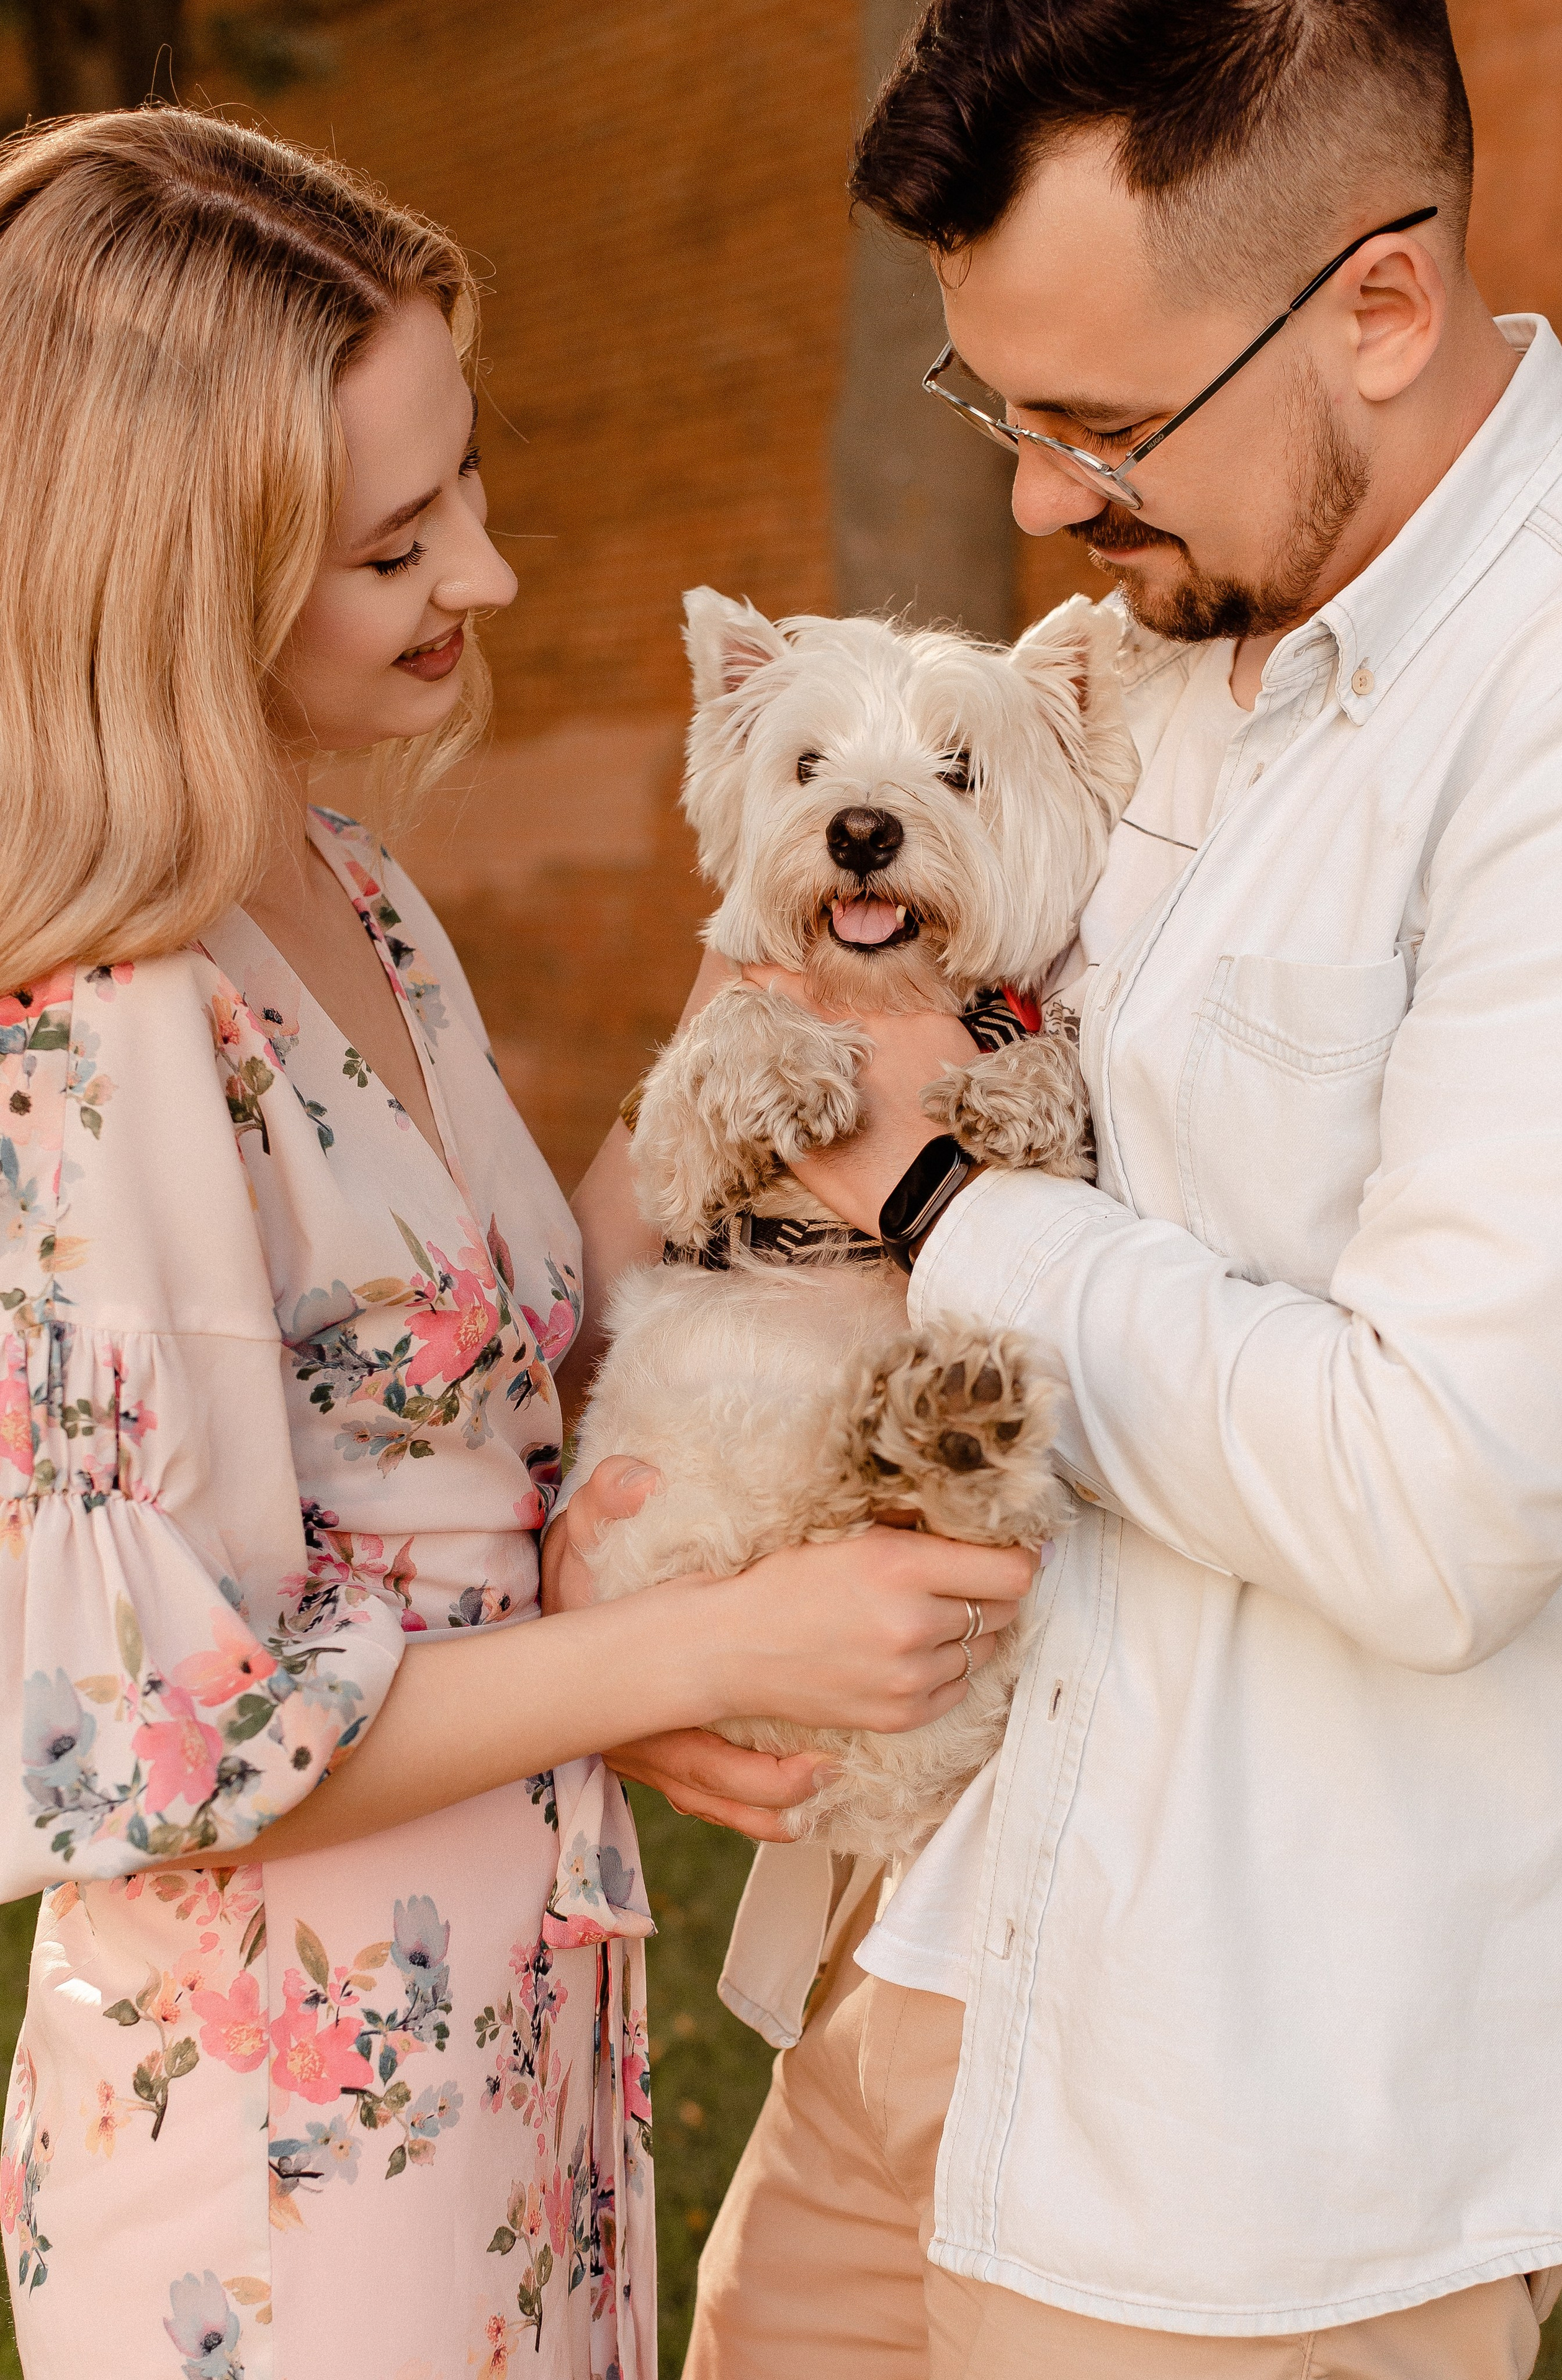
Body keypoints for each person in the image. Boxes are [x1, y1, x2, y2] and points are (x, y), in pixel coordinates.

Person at [570, 1, 1562, 2373]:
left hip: (1254, 2122)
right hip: (926, 1946)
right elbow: (773, 1007)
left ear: (1380, 302)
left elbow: (1442, 1493)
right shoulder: (1135, 643)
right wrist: (624, 1601)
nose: (1039, 505)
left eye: (1105, 426)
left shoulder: (1547, 707)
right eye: (999, 411)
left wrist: (937, 1191)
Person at [0, 108, 1032, 2380]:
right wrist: (717, 1643)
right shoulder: (104, 1017)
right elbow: (146, 1737)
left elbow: (488, 1346)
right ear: (181, 573)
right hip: (286, 2136)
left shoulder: (350, 890)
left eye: (466, 478)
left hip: (516, 2022)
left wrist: (762, 1020)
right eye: (397, 545)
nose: (484, 570)